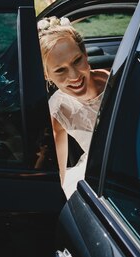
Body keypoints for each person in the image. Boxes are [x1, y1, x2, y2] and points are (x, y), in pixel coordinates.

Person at [38, 16, 110, 199]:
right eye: (60, 70)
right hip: (102, 175)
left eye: (77, 61)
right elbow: (59, 170)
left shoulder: (116, 83)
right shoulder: (57, 111)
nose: (74, 76)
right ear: (47, 75)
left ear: (85, 55)